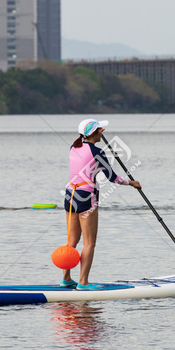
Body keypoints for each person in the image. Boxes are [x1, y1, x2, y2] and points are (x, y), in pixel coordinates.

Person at [61, 119, 141, 290]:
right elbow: (113, 178)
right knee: (89, 243)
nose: (102, 132)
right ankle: (83, 282)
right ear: (95, 133)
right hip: (85, 196)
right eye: (100, 130)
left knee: (71, 241)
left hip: (69, 195)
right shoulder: (98, 152)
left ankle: (66, 278)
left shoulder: (73, 147)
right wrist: (131, 183)